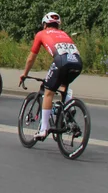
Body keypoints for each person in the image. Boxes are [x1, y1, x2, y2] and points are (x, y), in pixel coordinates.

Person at [18, 12, 82, 140]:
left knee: (49, 92)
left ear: (45, 24)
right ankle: (68, 110)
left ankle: (43, 129)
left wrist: (25, 74)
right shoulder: (64, 34)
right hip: (77, 62)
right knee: (63, 86)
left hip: (61, 61)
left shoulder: (41, 34)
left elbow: (31, 58)